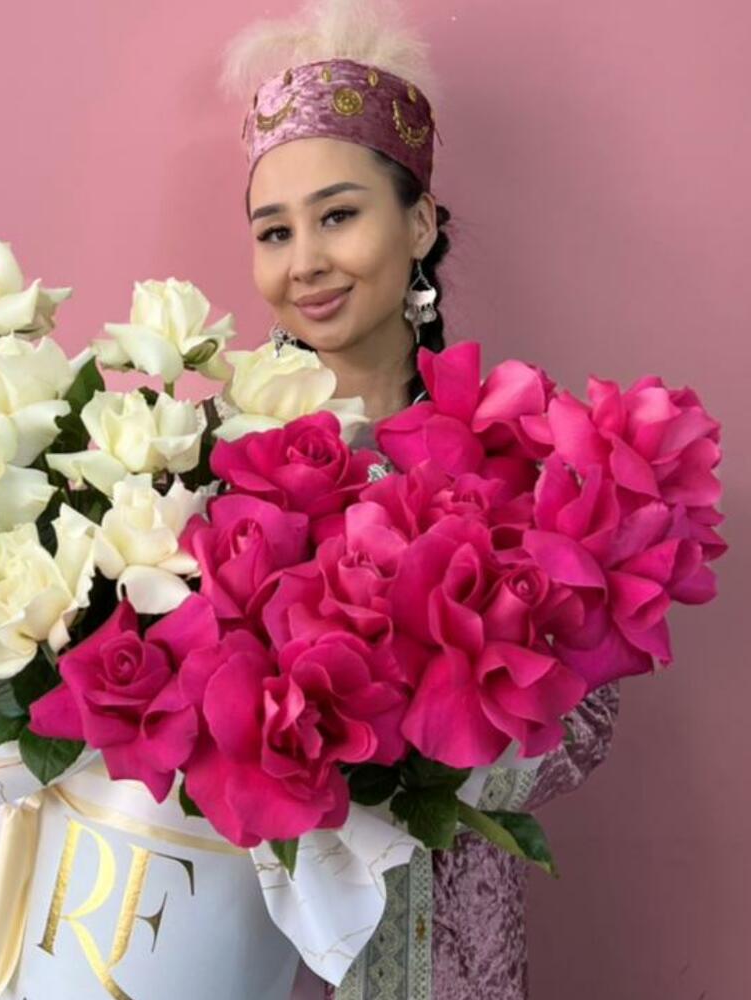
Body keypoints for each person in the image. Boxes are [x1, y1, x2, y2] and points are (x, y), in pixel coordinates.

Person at [217, 2, 622, 997]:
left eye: (338, 215)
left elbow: (585, 716)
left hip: (445, 940)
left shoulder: (517, 448)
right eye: (274, 231)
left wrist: (422, 743)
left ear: (421, 222)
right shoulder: (213, 457)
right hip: (243, 933)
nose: (304, 261)